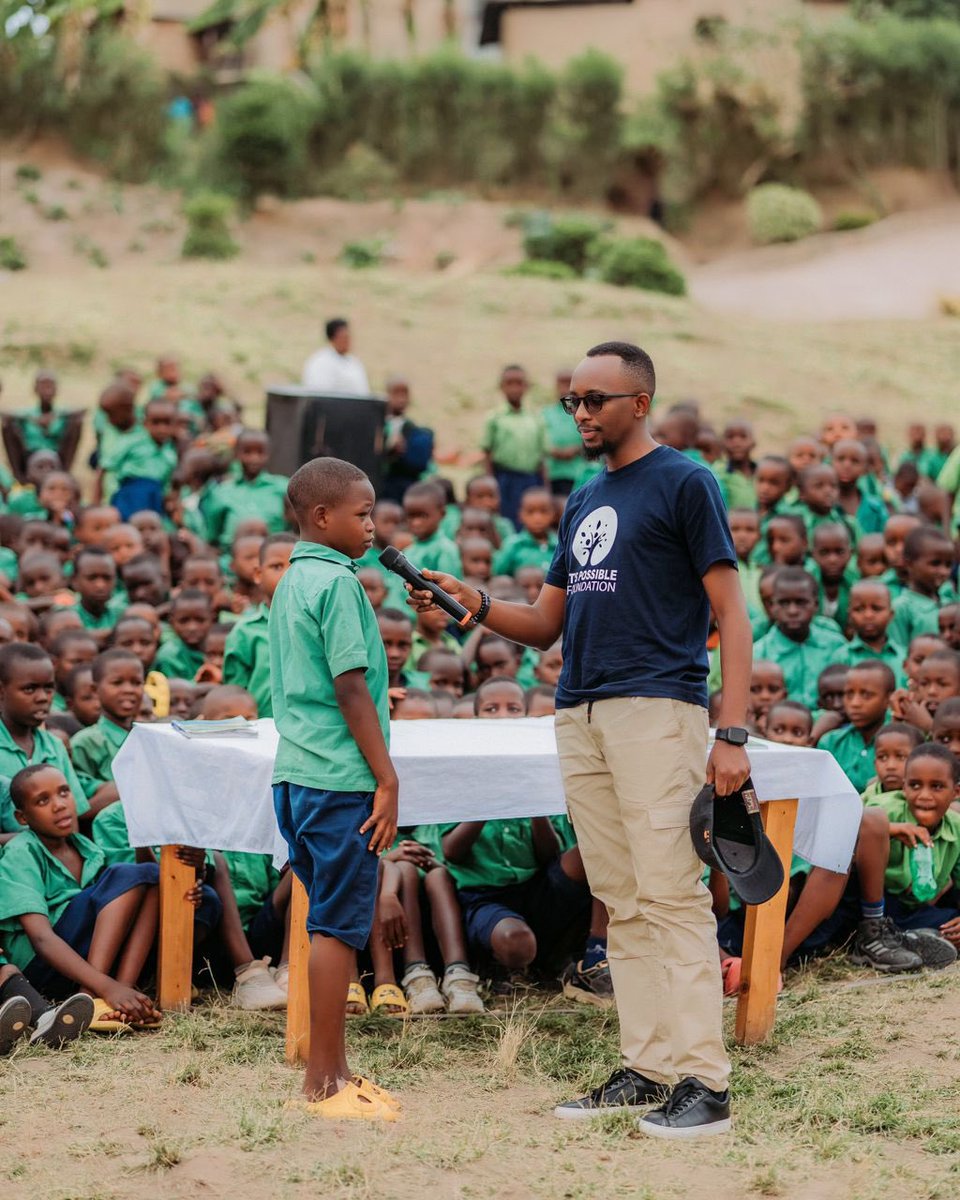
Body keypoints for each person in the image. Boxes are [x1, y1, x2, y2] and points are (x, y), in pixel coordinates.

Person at [410, 341, 751, 1137]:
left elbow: (732, 615)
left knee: (672, 897)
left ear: (640, 402)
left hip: (656, 712)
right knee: (624, 901)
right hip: (581, 713)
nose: (582, 412)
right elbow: (544, 624)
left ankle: (705, 1082)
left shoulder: (686, 482)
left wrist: (730, 734)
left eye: (597, 399)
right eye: (573, 400)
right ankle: (647, 1066)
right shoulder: (584, 498)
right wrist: (473, 603)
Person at [269, 456, 399, 1120]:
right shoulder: (341, 586)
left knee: (330, 919)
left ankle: (337, 1068)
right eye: (363, 513)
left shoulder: (292, 579)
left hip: (297, 773)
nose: (374, 525)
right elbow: (349, 686)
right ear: (323, 517)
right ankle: (322, 1082)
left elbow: (321, 682)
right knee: (337, 929)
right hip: (340, 779)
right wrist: (386, 776)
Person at [0, 764, 162, 1026]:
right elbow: (41, 937)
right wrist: (106, 985)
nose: (59, 805)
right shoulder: (21, 852)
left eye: (64, 793)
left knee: (152, 879)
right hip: (41, 967)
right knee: (127, 874)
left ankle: (125, 994)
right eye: (43, 800)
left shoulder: (87, 849)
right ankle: (91, 995)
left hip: (78, 962)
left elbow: (147, 879)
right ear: (22, 817)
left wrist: (118, 988)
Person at [222, 533, 295, 717]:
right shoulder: (245, 633)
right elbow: (235, 695)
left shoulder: (319, 627)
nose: (287, 573)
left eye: (296, 565)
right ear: (258, 574)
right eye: (277, 566)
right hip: (260, 733)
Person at [480, 365, 546, 529]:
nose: (515, 388)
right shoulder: (495, 418)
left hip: (531, 479)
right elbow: (487, 453)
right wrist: (491, 484)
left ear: (526, 386)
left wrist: (545, 488)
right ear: (502, 387)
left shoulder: (535, 418)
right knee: (507, 520)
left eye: (519, 383)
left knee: (531, 521)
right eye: (510, 383)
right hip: (504, 479)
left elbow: (542, 457)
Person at [301, 318, 371, 395]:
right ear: (332, 338)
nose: (348, 341)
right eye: (344, 338)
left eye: (349, 337)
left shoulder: (354, 362)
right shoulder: (320, 363)